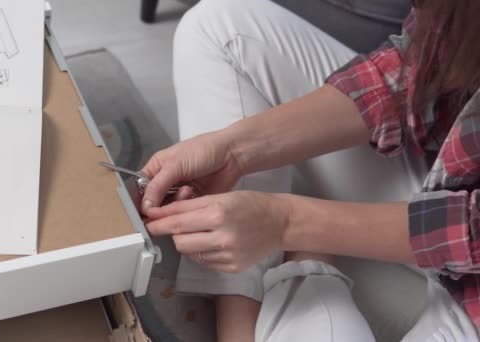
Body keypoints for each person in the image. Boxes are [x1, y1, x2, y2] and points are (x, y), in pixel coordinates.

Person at [140, 0, 480, 341]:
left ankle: (305, 259)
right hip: (452, 173)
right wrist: (233, 150)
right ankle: (239, 323)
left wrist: (288, 222)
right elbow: (420, 67)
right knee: (218, 28)